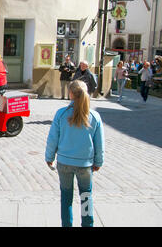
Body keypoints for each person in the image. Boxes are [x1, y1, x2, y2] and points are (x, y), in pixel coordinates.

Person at [45, 80, 105, 227]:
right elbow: (99, 144)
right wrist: (98, 162)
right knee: (86, 196)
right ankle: (87, 224)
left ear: (70, 93)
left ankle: (67, 224)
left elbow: (53, 138)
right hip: (85, 164)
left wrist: (49, 157)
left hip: (64, 163)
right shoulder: (94, 116)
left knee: (66, 197)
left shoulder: (61, 114)